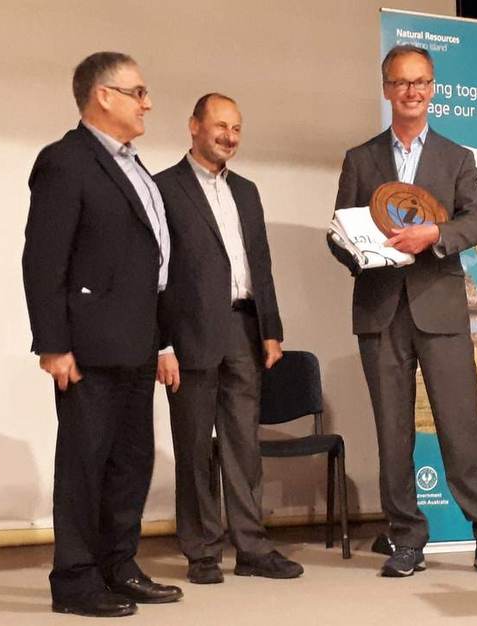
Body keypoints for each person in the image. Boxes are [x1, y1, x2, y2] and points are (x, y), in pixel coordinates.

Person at [332, 44, 477, 579]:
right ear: (386, 88)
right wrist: (362, 250)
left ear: (433, 87)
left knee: (462, 428)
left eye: (420, 82)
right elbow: (339, 233)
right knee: (392, 432)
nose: (411, 92)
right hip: (380, 311)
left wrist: (434, 234)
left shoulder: (456, 156)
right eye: (400, 82)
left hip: (439, 309)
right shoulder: (360, 158)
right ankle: (406, 540)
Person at [22, 51, 181, 617]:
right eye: (138, 92)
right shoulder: (65, 161)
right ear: (103, 96)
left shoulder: (135, 166)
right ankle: (75, 579)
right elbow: (43, 261)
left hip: (138, 345)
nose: (148, 103)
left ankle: (119, 565)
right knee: (85, 466)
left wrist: (163, 342)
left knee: (131, 464)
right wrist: (53, 345)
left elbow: (151, 267)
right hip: (86, 349)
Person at [155, 93, 303, 584]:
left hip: (244, 328)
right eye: (220, 126)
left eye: (237, 128)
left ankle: (253, 548)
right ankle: (201, 552)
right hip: (189, 335)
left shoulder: (248, 190)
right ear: (193, 126)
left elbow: (260, 265)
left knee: (244, 446)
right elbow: (152, 274)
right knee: (194, 447)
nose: (230, 136)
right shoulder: (162, 189)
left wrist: (272, 330)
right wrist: (162, 344)